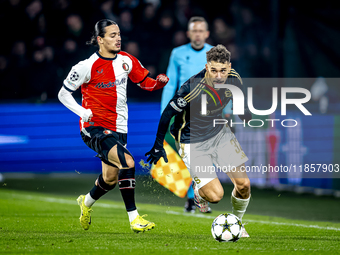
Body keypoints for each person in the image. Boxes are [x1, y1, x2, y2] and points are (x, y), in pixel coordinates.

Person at [58, 19, 169, 233]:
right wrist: (82, 112)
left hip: (119, 127)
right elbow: (63, 94)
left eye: (118, 34)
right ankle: (134, 218)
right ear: (99, 40)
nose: (118, 38)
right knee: (127, 161)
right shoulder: (85, 66)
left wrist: (158, 83)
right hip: (94, 127)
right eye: (112, 35)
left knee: (110, 179)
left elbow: (144, 82)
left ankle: (86, 203)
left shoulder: (126, 60)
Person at [146, 45, 252, 237]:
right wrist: (157, 144)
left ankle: (238, 223)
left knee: (243, 185)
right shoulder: (192, 87)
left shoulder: (235, 78)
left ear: (229, 66)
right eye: (213, 71)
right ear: (206, 67)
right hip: (192, 140)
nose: (219, 76)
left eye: (223, 70)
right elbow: (168, 113)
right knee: (216, 196)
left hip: (220, 133)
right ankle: (197, 191)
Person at [161, 16, 213, 213]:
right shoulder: (177, 53)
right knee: (191, 157)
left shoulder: (214, 53)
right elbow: (170, 82)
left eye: (201, 31)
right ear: (189, 34)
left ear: (206, 34)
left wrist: (226, 111)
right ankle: (194, 198)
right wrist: (164, 112)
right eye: (194, 30)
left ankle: (197, 197)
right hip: (185, 113)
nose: (198, 34)